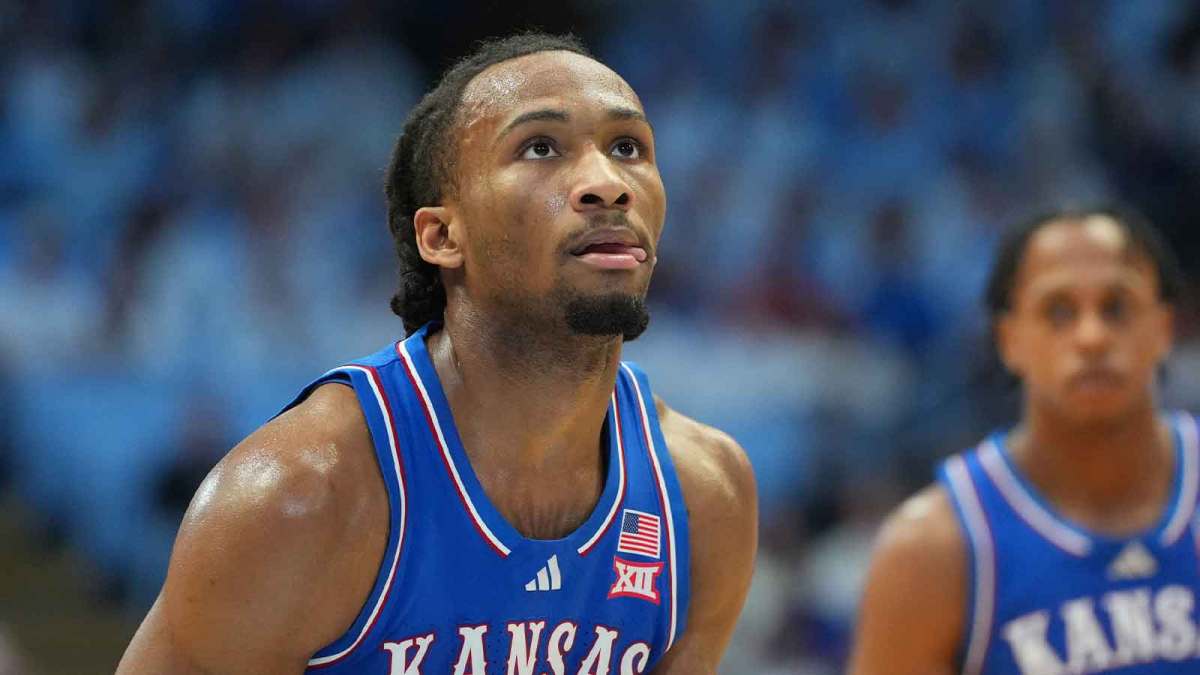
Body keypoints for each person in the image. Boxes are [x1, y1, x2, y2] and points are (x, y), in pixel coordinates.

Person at [116, 33, 757, 675]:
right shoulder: (302, 497)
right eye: (540, 147)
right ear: (443, 236)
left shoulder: (705, 497)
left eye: (628, 147)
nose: (608, 184)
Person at [850, 208, 1198, 674]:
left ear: (1163, 327)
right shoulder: (932, 551)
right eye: (1058, 311)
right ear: (1008, 339)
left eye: (1116, 306)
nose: (1092, 336)